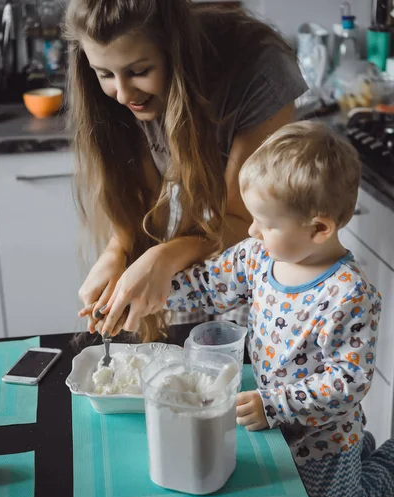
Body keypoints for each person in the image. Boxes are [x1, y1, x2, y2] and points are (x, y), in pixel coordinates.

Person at [165, 120, 394, 497]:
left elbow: (348, 380)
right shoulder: (257, 256)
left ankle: (385, 463)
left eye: (265, 223)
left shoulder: (349, 295)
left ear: (319, 229)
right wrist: (153, 295)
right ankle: (362, 453)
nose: (251, 230)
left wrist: (275, 404)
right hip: (273, 423)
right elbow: (206, 283)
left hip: (323, 436)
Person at [63, 0, 307, 341]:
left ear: (174, 51)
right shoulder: (114, 96)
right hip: (196, 214)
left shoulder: (261, 70)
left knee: (245, 349)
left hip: (260, 229)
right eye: (105, 74)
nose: (121, 93)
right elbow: (142, 197)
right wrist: (117, 250)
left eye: (138, 71)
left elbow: (242, 222)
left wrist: (164, 256)